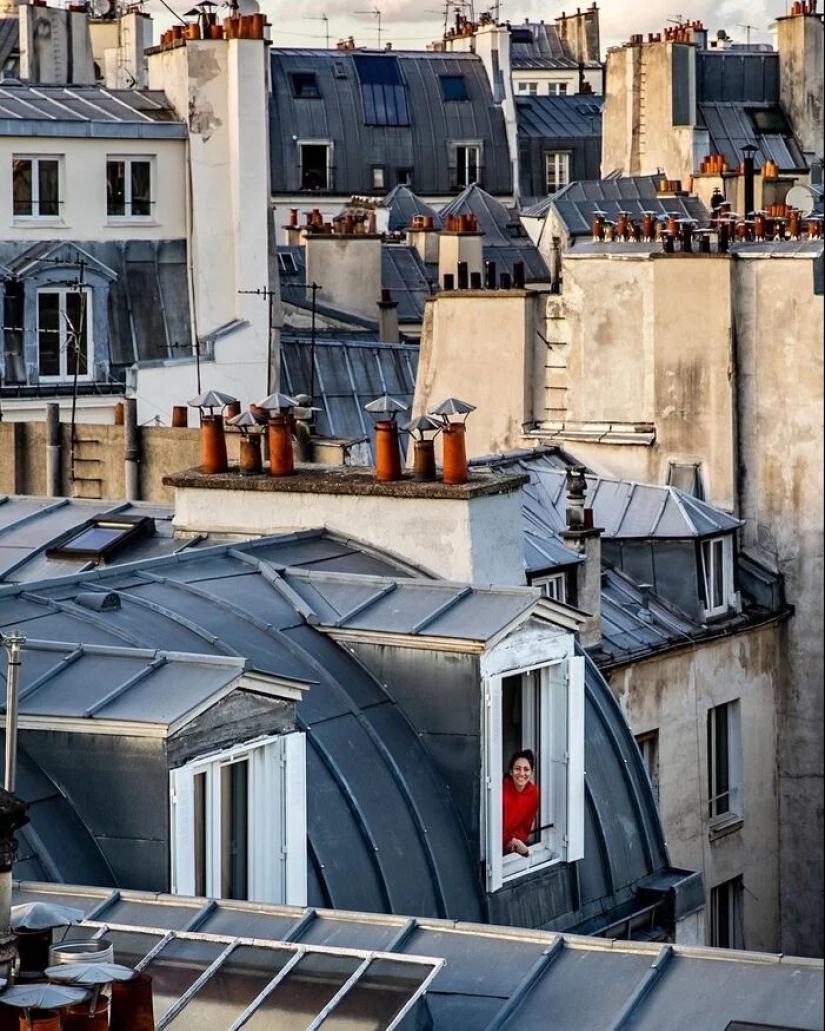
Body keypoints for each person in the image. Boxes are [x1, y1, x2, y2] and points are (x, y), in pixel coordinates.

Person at [502, 749, 539, 857]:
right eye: (517, 769)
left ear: (531, 772)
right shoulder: (501, 790)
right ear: (511, 771)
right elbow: (494, 826)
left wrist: (515, 842)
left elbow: (525, 826)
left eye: (526, 769)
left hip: (513, 848)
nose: (522, 773)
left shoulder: (534, 793)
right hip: (494, 846)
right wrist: (511, 840)